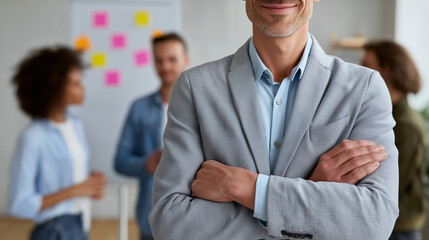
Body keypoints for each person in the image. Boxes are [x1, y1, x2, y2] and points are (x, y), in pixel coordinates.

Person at [149, 0, 399, 239]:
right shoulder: (196, 88)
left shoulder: (365, 88)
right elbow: (169, 224)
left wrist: (247, 188)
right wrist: (309, 199)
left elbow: (375, 221)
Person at [8, 46, 108, 240]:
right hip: (54, 230)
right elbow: (19, 204)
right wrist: (76, 190)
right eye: (76, 83)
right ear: (55, 88)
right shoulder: (33, 137)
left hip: (80, 225)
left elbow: (61, 175)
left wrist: (88, 183)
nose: (83, 87)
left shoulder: (74, 124)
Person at [114, 33, 189, 240]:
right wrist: (144, 164)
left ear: (186, 59)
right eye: (159, 60)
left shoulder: (203, 106)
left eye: (172, 59)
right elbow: (120, 161)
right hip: (151, 219)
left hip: (193, 220)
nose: (165, 67)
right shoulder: (139, 108)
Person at [362, 40, 428, 240]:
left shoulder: (405, 125)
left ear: (388, 71)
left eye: (366, 66)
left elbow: (390, 186)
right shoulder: (385, 115)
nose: (358, 71)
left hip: (398, 229)